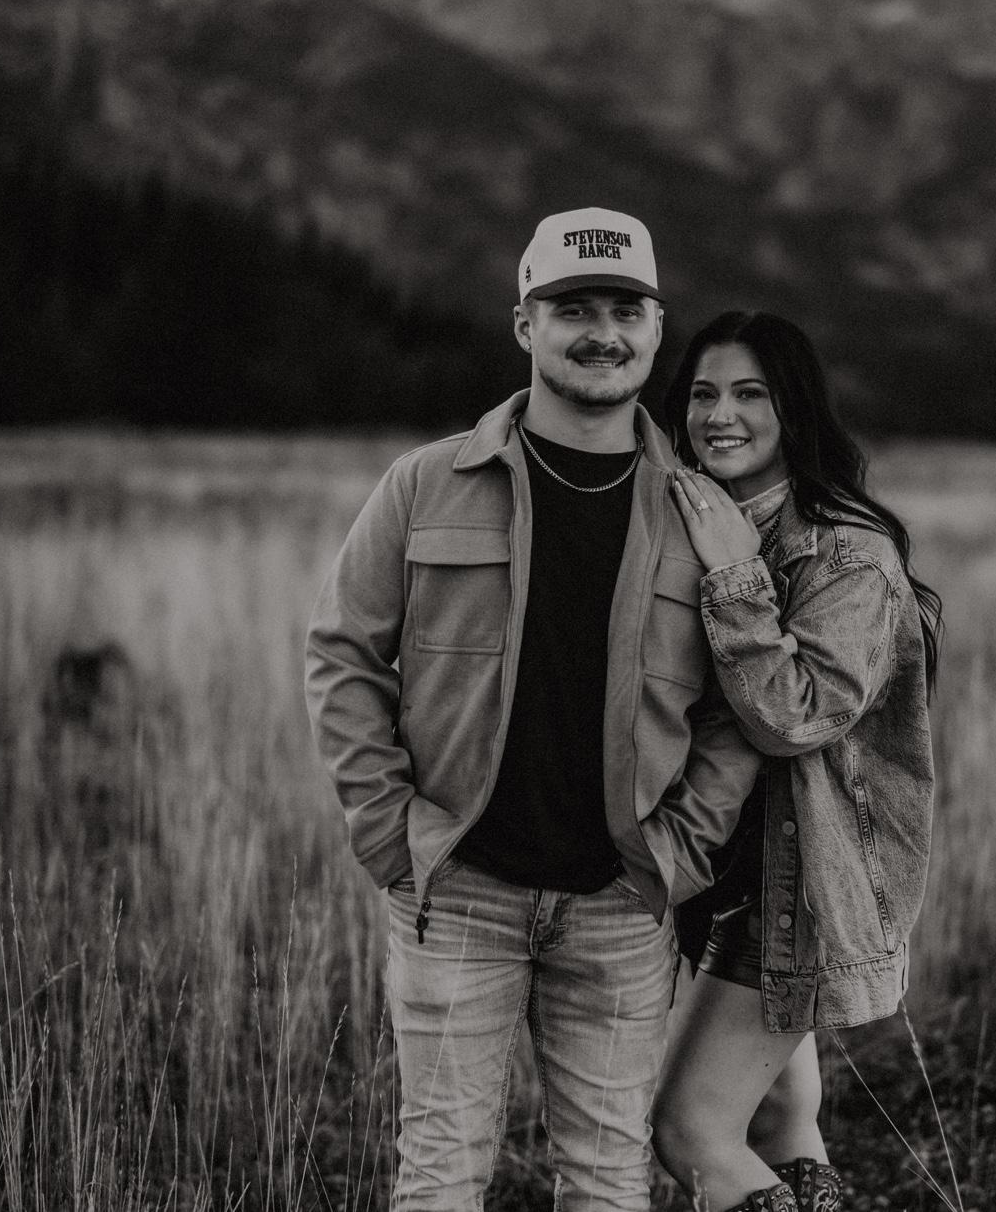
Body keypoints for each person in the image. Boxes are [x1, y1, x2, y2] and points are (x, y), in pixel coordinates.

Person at [304, 208, 762, 1212]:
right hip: (455, 889)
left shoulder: (704, 515)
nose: (602, 332)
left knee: (606, 1182)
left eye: (624, 310)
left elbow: (739, 710)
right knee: (439, 1174)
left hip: (621, 903)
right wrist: (389, 829)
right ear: (525, 325)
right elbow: (342, 651)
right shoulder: (425, 483)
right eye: (573, 309)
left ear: (656, 328)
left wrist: (680, 852)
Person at [650, 311, 943, 1212]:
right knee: (779, 1118)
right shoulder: (694, 521)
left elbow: (794, 717)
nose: (720, 416)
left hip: (799, 885)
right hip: (724, 873)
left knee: (689, 1131)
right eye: (703, 394)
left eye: (750, 394)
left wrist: (736, 578)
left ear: (794, 408)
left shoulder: (849, 552)